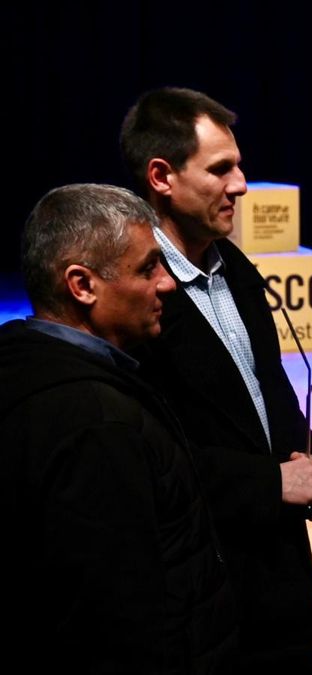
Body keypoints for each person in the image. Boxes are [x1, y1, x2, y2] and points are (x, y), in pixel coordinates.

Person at [120, 87, 312, 671]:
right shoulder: (134, 297)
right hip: (200, 608)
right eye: (221, 169)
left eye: (238, 166)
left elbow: (266, 386)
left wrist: (306, 456)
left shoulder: (234, 266)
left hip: (278, 591)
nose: (241, 185)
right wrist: (272, 483)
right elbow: (145, 458)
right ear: (161, 176)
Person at [2, 184, 236, 672]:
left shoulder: (36, 371)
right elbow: (115, 620)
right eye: (148, 267)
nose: (168, 283)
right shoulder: (95, 424)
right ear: (82, 285)